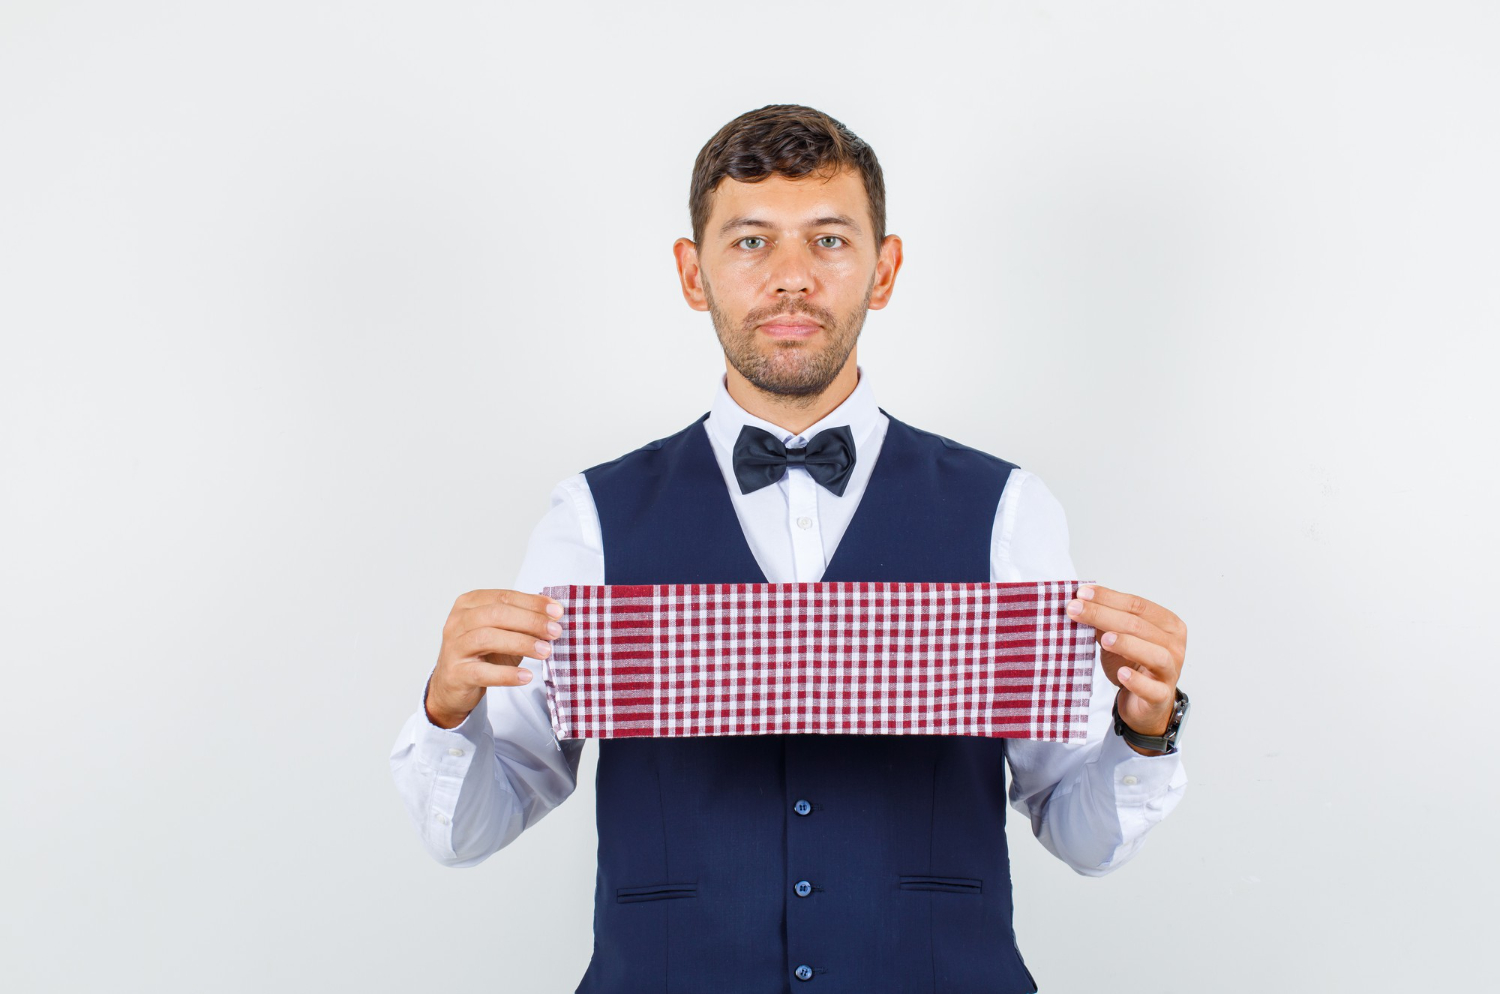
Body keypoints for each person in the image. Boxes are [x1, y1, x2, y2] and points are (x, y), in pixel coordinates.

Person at [389, 104, 1190, 994]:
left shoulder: (1008, 511)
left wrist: (1141, 733)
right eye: (750, 243)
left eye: (830, 241)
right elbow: (469, 831)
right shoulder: (590, 517)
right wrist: (447, 710)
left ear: (883, 269)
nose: (791, 279)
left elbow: (1078, 832)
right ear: (693, 274)